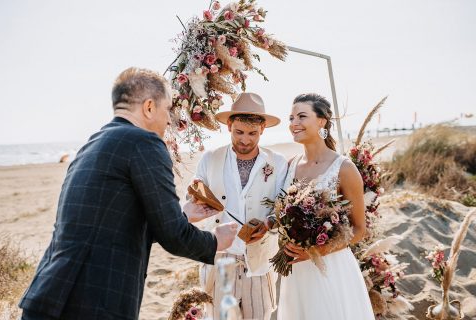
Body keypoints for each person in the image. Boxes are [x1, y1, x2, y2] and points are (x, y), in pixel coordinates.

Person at [19, 67, 237, 320]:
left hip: (49, 295)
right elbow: (174, 237)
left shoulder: (92, 144)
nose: (169, 121)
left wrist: (183, 216)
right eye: (167, 109)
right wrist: (215, 242)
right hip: (92, 302)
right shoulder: (145, 143)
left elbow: (110, 226)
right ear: (148, 107)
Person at [184, 92, 288, 320]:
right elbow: (191, 197)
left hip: (260, 262)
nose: (245, 140)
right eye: (239, 132)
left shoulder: (277, 163)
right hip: (221, 259)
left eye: (252, 133)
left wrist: (268, 223)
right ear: (229, 125)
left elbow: (283, 206)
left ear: (262, 129)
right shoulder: (210, 158)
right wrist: (197, 196)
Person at [277, 93, 374, 320]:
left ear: (322, 121)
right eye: (291, 118)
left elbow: (360, 229)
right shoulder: (290, 165)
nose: (294, 124)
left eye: (302, 116)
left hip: (330, 268)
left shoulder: (344, 168)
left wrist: (316, 251)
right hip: (296, 271)